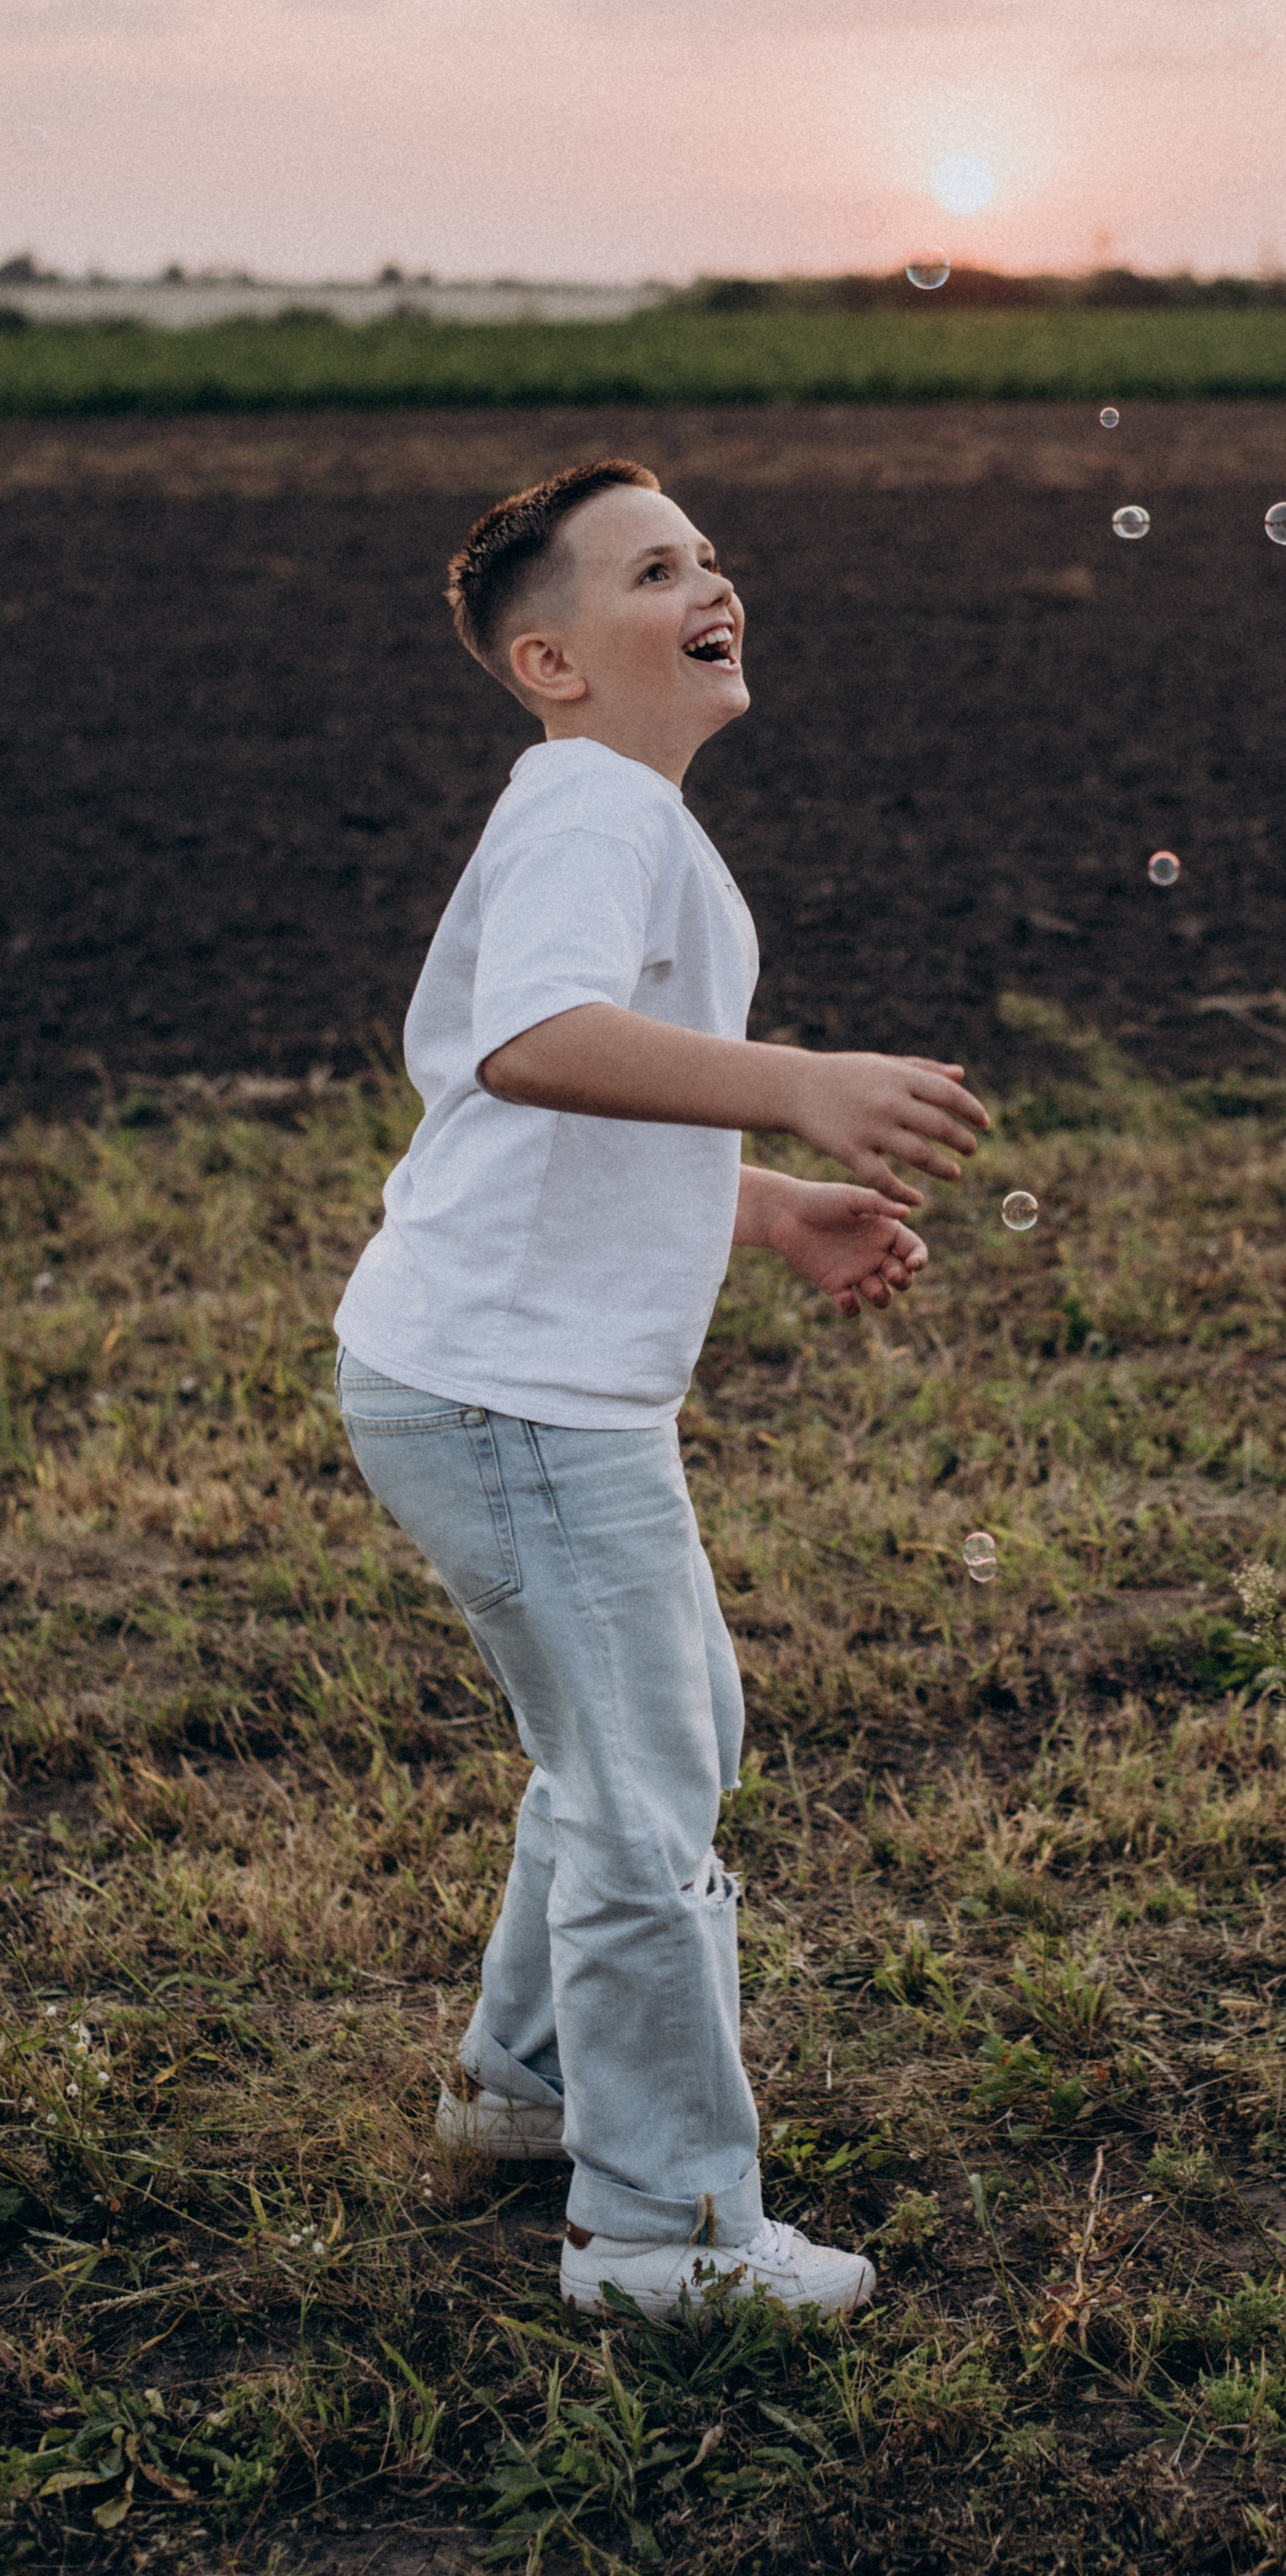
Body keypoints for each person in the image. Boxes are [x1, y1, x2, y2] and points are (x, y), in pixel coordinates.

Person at [333, 458, 988, 2322]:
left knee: (660, 1733)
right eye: (650, 568)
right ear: (549, 658)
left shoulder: (618, 813)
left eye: (705, 556)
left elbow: (536, 1119)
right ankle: (659, 2229)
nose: (710, 582)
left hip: (516, 1385)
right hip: (508, 1399)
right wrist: (790, 1081)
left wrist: (767, 1208)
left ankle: (520, 2083)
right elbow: (534, 1048)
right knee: (643, 1800)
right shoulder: (587, 817)